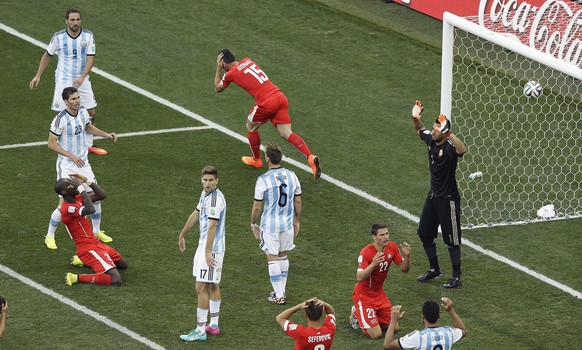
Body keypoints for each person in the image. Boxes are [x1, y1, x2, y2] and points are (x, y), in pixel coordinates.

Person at [214, 49, 322, 180]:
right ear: (234, 56)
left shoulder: (230, 73)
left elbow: (218, 88)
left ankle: (256, 160)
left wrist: (218, 69)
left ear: (223, 63)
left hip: (266, 102)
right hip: (279, 96)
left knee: (250, 127)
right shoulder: (248, 60)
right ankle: (310, 156)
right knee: (286, 133)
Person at [45, 86, 116, 250]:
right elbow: (51, 144)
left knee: (96, 196)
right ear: (65, 101)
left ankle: (97, 231)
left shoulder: (83, 112)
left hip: (83, 164)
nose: (77, 101)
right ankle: (50, 235)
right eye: (73, 99)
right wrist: (71, 155)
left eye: (78, 98)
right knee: (64, 203)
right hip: (67, 165)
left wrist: (106, 134)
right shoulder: (59, 120)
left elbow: (88, 127)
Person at [29, 8, 107, 155]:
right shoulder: (58, 37)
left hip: (81, 79)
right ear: (66, 21)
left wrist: (83, 76)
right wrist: (38, 75)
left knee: (91, 111)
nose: (75, 22)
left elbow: (91, 58)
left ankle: (89, 145)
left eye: (77, 19)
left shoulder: (88, 36)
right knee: (64, 113)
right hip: (63, 80)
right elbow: (47, 55)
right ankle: (63, 144)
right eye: (72, 20)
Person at [410, 101, 468, 289]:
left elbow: (463, 149)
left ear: (444, 132)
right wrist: (415, 117)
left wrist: (449, 133)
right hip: (433, 197)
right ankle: (434, 269)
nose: (433, 131)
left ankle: (456, 277)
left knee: (452, 240)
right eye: (434, 128)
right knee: (424, 233)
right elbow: (420, 130)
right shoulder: (431, 140)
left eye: (437, 129)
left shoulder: (450, 148)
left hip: (448, 199)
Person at [178, 166, 227, 342]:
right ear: (201, 180)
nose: (207, 183)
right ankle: (213, 324)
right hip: (206, 246)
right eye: (205, 180)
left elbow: (213, 225)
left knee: (201, 287)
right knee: (212, 285)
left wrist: (207, 251)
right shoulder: (205, 194)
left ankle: (200, 330)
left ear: (217, 181)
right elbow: (196, 214)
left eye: (211, 180)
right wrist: (182, 234)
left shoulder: (215, 200)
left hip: (211, 248)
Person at [251, 143, 302, 305]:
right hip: (287, 224)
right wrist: (297, 220)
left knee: (272, 257)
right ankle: (281, 292)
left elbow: (257, 206)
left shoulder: (263, 179)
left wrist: (253, 223)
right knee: (283, 254)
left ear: (267, 158)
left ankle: (279, 296)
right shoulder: (292, 175)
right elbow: (298, 200)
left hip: (270, 225)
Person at [55, 174, 128, 286]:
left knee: (123, 265)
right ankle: (76, 277)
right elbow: (90, 210)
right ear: (64, 192)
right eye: (70, 185)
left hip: (96, 244)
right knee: (115, 279)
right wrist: (81, 188)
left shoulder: (77, 200)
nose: (74, 185)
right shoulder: (67, 209)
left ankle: (82, 261)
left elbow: (102, 195)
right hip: (87, 249)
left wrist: (87, 181)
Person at [350, 223, 411, 339]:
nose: (386, 237)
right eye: (382, 235)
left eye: (387, 233)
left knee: (395, 327)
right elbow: (359, 277)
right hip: (364, 297)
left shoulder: (392, 247)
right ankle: (356, 314)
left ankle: (373, 316)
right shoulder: (366, 252)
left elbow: (404, 269)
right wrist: (373, 264)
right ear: (374, 237)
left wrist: (407, 257)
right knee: (376, 335)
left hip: (379, 295)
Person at [383, 297, 467, 349]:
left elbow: (387, 345)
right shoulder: (448, 332)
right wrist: (450, 310)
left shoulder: (418, 337)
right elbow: (463, 330)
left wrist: (393, 320)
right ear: (439, 316)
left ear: (422, 317)